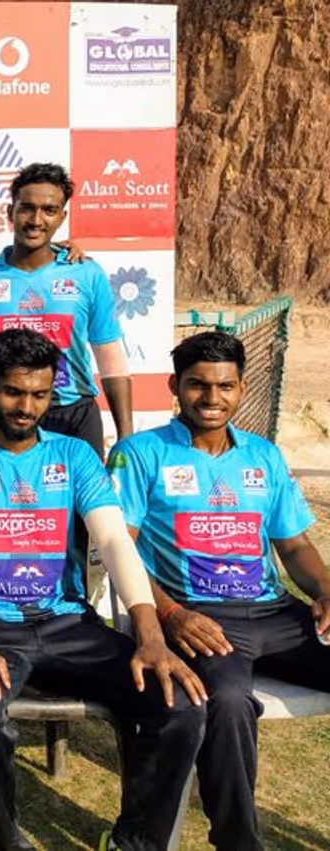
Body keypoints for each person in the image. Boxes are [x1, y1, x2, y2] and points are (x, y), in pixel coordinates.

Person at [0, 328, 205, 851]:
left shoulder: (75, 455)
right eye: (13, 392)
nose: (26, 407)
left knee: (180, 704)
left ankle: (135, 840)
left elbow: (114, 541)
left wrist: (150, 635)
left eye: (40, 394)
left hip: (67, 622)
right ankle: (7, 840)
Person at [108, 331, 330, 851]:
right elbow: (119, 551)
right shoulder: (140, 454)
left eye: (225, 386)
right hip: (200, 617)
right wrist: (170, 614)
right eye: (198, 385)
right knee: (227, 702)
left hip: (275, 612)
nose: (212, 398)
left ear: (241, 388)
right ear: (175, 387)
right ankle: (237, 841)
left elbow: (295, 545)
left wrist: (324, 588)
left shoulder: (263, 455)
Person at [0, 162, 133, 457]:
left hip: (72, 415)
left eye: (49, 210)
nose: (36, 220)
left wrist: (126, 436)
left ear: (62, 217)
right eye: (27, 208)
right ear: (10, 212)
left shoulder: (86, 273)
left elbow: (111, 360)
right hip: (4, 416)